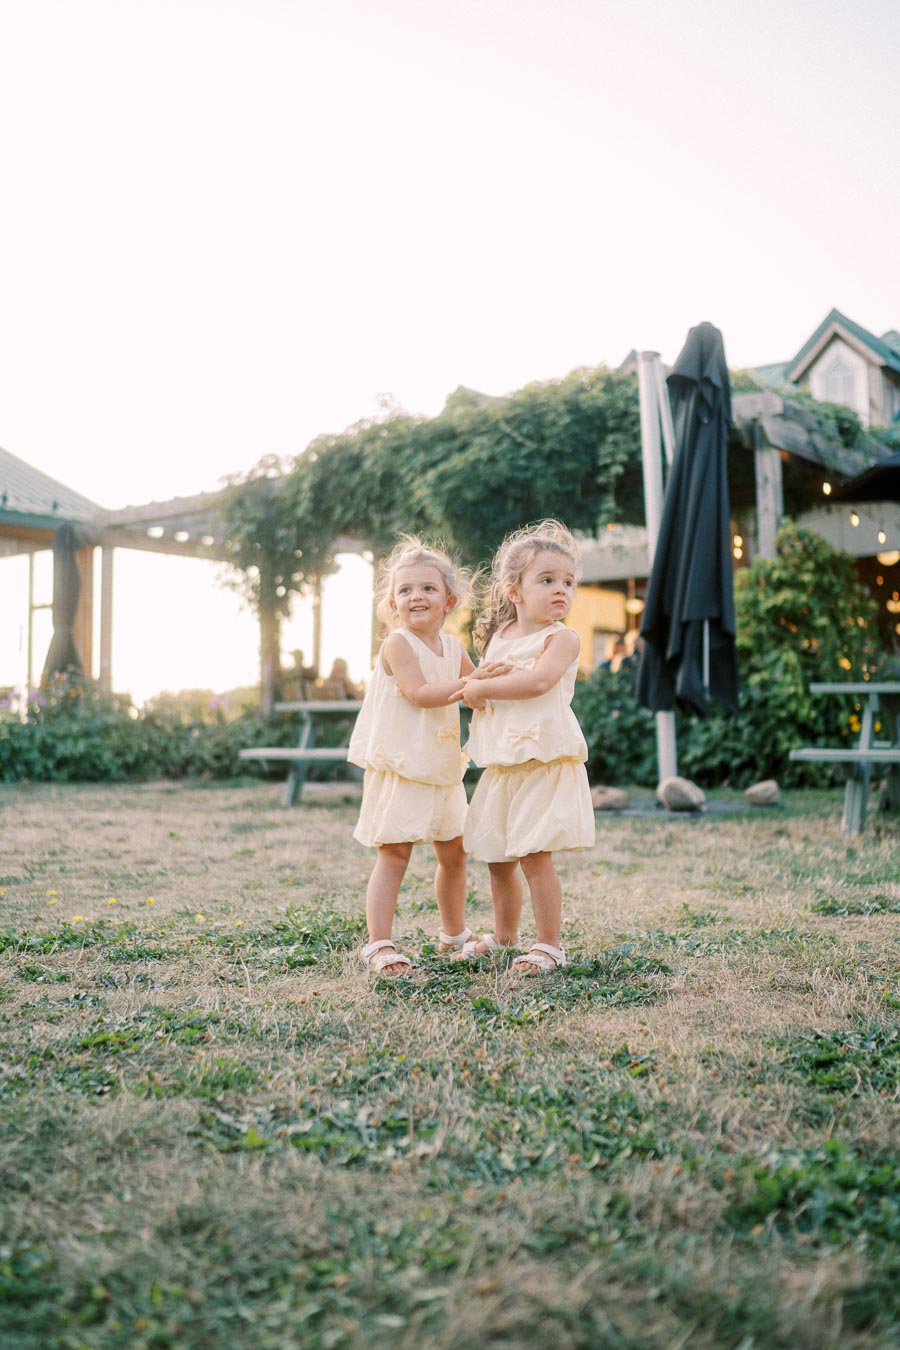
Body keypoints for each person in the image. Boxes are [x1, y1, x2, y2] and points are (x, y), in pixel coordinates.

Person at [348, 535, 504, 978]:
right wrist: (471, 687)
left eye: (428, 588)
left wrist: (499, 679)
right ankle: (379, 944)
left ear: (449, 600)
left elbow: (478, 695)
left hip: (441, 770)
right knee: (394, 854)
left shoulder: (453, 649)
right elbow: (419, 694)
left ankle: (453, 934)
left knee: (454, 854)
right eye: (405, 590)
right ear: (393, 603)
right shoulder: (398, 644)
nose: (416, 596)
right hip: (402, 764)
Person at [453, 519, 595, 975]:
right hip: (502, 765)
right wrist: (474, 685)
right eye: (547, 580)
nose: (561, 591)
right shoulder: (499, 638)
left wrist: (483, 691)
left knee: (535, 855)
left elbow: (537, 683)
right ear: (514, 591)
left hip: (543, 760)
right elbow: (480, 682)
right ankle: (504, 936)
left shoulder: (562, 638)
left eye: (569, 582)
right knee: (497, 856)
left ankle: (548, 946)